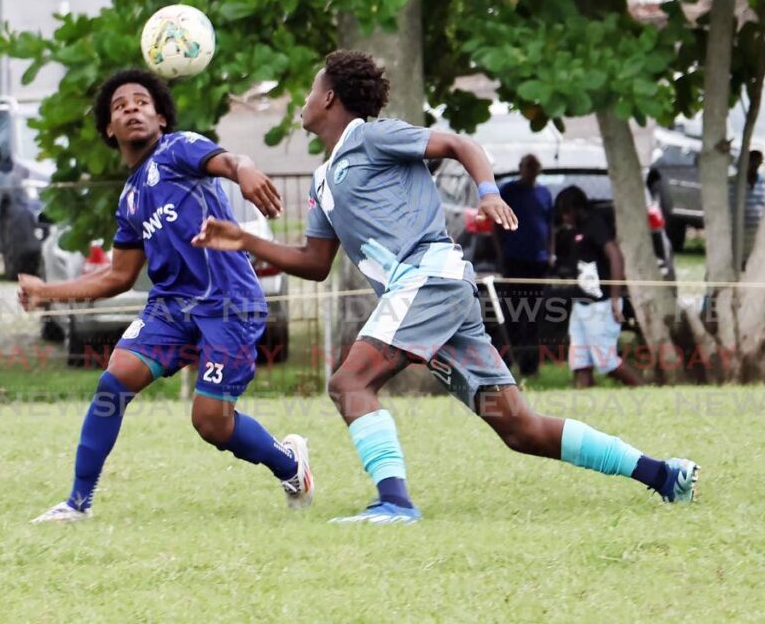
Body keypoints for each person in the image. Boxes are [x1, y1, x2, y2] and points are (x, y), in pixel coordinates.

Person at [194, 50, 699, 524]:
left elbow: (460, 144)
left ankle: (393, 503)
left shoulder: (371, 137)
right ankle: (662, 473)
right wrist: (243, 240)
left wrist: (488, 192)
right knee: (519, 428)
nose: (303, 101)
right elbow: (313, 262)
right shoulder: (323, 179)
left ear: (329, 98)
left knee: (349, 383)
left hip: (429, 279)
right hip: (431, 294)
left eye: (309, 90)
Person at [19, 69, 313, 523]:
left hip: (228, 303)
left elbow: (229, 162)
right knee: (112, 383)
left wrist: (247, 168)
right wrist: (47, 292)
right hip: (173, 308)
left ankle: (291, 465)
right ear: (108, 129)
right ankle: (77, 504)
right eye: (120, 106)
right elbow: (117, 277)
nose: (132, 108)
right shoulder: (131, 200)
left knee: (210, 423)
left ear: (160, 116)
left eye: (141, 101)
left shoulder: (178, 149)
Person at [556, 186, 643, 389]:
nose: (564, 217)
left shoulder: (595, 224)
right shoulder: (576, 230)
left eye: (566, 211)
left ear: (575, 208)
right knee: (580, 361)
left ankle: (643, 387)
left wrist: (614, 298)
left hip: (601, 304)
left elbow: (615, 256)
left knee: (606, 362)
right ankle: (584, 399)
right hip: (581, 304)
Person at [497, 154, 554, 374]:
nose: (530, 171)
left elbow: (550, 226)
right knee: (512, 312)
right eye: (527, 167)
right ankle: (509, 361)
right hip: (514, 259)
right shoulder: (509, 191)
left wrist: (551, 253)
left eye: (534, 167)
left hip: (538, 262)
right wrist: (501, 253)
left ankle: (530, 365)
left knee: (533, 314)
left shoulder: (544, 193)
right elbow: (497, 225)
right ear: (520, 168)